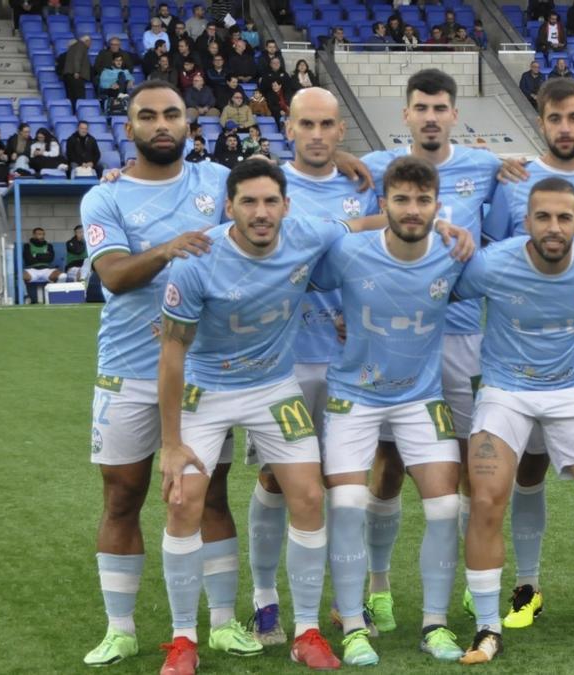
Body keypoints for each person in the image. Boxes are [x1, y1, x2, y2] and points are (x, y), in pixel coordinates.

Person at [78, 81, 256, 668]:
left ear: (189, 123)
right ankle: (120, 628)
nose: (161, 124)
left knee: (211, 497)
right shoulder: (104, 199)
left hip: (205, 371)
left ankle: (226, 623)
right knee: (122, 496)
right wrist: (168, 248)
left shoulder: (216, 181)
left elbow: (281, 205)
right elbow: (115, 277)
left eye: (172, 114)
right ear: (128, 128)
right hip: (127, 370)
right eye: (147, 115)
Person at [156, 159, 347, 673]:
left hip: (272, 387)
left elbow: (367, 227)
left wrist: (436, 223)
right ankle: (183, 640)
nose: (261, 213)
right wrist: (170, 443)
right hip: (206, 388)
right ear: (229, 206)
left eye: (270, 202)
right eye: (248, 202)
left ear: (287, 205)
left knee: (309, 495)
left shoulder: (307, 234)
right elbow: (172, 352)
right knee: (183, 500)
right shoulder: (197, 259)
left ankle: (306, 630)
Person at [454, 177, 574, 664]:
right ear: (526, 223)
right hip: (505, 390)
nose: (553, 227)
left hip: (572, 391)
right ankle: (486, 628)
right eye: (543, 217)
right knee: (485, 496)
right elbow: (437, 291)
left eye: (564, 218)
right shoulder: (491, 263)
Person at [346, 69, 504, 639]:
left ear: (454, 115)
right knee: (386, 467)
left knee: (465, 465)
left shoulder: (487, 167)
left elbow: (513, 221)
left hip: (462, 335)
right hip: (394, 336)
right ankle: (379, 587)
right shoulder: (375, 165)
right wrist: (434, 222)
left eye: (441, 107)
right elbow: (356, 225)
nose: (431, 116)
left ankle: (466, 579)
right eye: (421, 108)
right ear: (406, 116)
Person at [242, 88, 389, 646]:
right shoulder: (265, 184)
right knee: (278, 481)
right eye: (307, 123)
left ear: (342, 129)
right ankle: (265, 600)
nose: (318, 134)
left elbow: (428, 175)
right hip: (284, 359)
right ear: (288, 126)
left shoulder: (366, 179)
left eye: (328, 124)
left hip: (353, 363)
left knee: (345, 485)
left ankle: (348, 600)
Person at [313, 156, 469, 666]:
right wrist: (338, 315)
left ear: (437, 206)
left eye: (423, 200)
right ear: (383, 205)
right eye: (401, 199)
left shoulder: (455, 251)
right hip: (352, 395)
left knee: (446, 506)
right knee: (349, 502)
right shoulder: (350, 251)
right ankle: (354, 624)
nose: (412, 209)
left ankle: (435, 623)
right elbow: (297, 274)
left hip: (420, 397)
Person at [22, 227, 64, 297]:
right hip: (32, 270)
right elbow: (28, 260)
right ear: (34, 235)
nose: (41, 236)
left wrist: (35, 255)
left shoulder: (48, 246)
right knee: (20, 277)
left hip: (46, 270)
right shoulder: (27, 245)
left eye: (42, 234)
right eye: (39, 234)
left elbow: (50, 259)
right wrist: (44, 256)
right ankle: (26, 296)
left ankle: (57, 295)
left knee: (62, 276)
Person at [60, 36, 92, 104]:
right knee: (80, 97)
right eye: (90, 42)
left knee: (72, 97)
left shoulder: (73, 47)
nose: (90, 44)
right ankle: (81, 112)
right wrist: (76, 71)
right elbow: (77, 59)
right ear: (86, 41)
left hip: (68, 75)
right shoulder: (81, 45)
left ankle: (74, 112)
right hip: (76, 76)